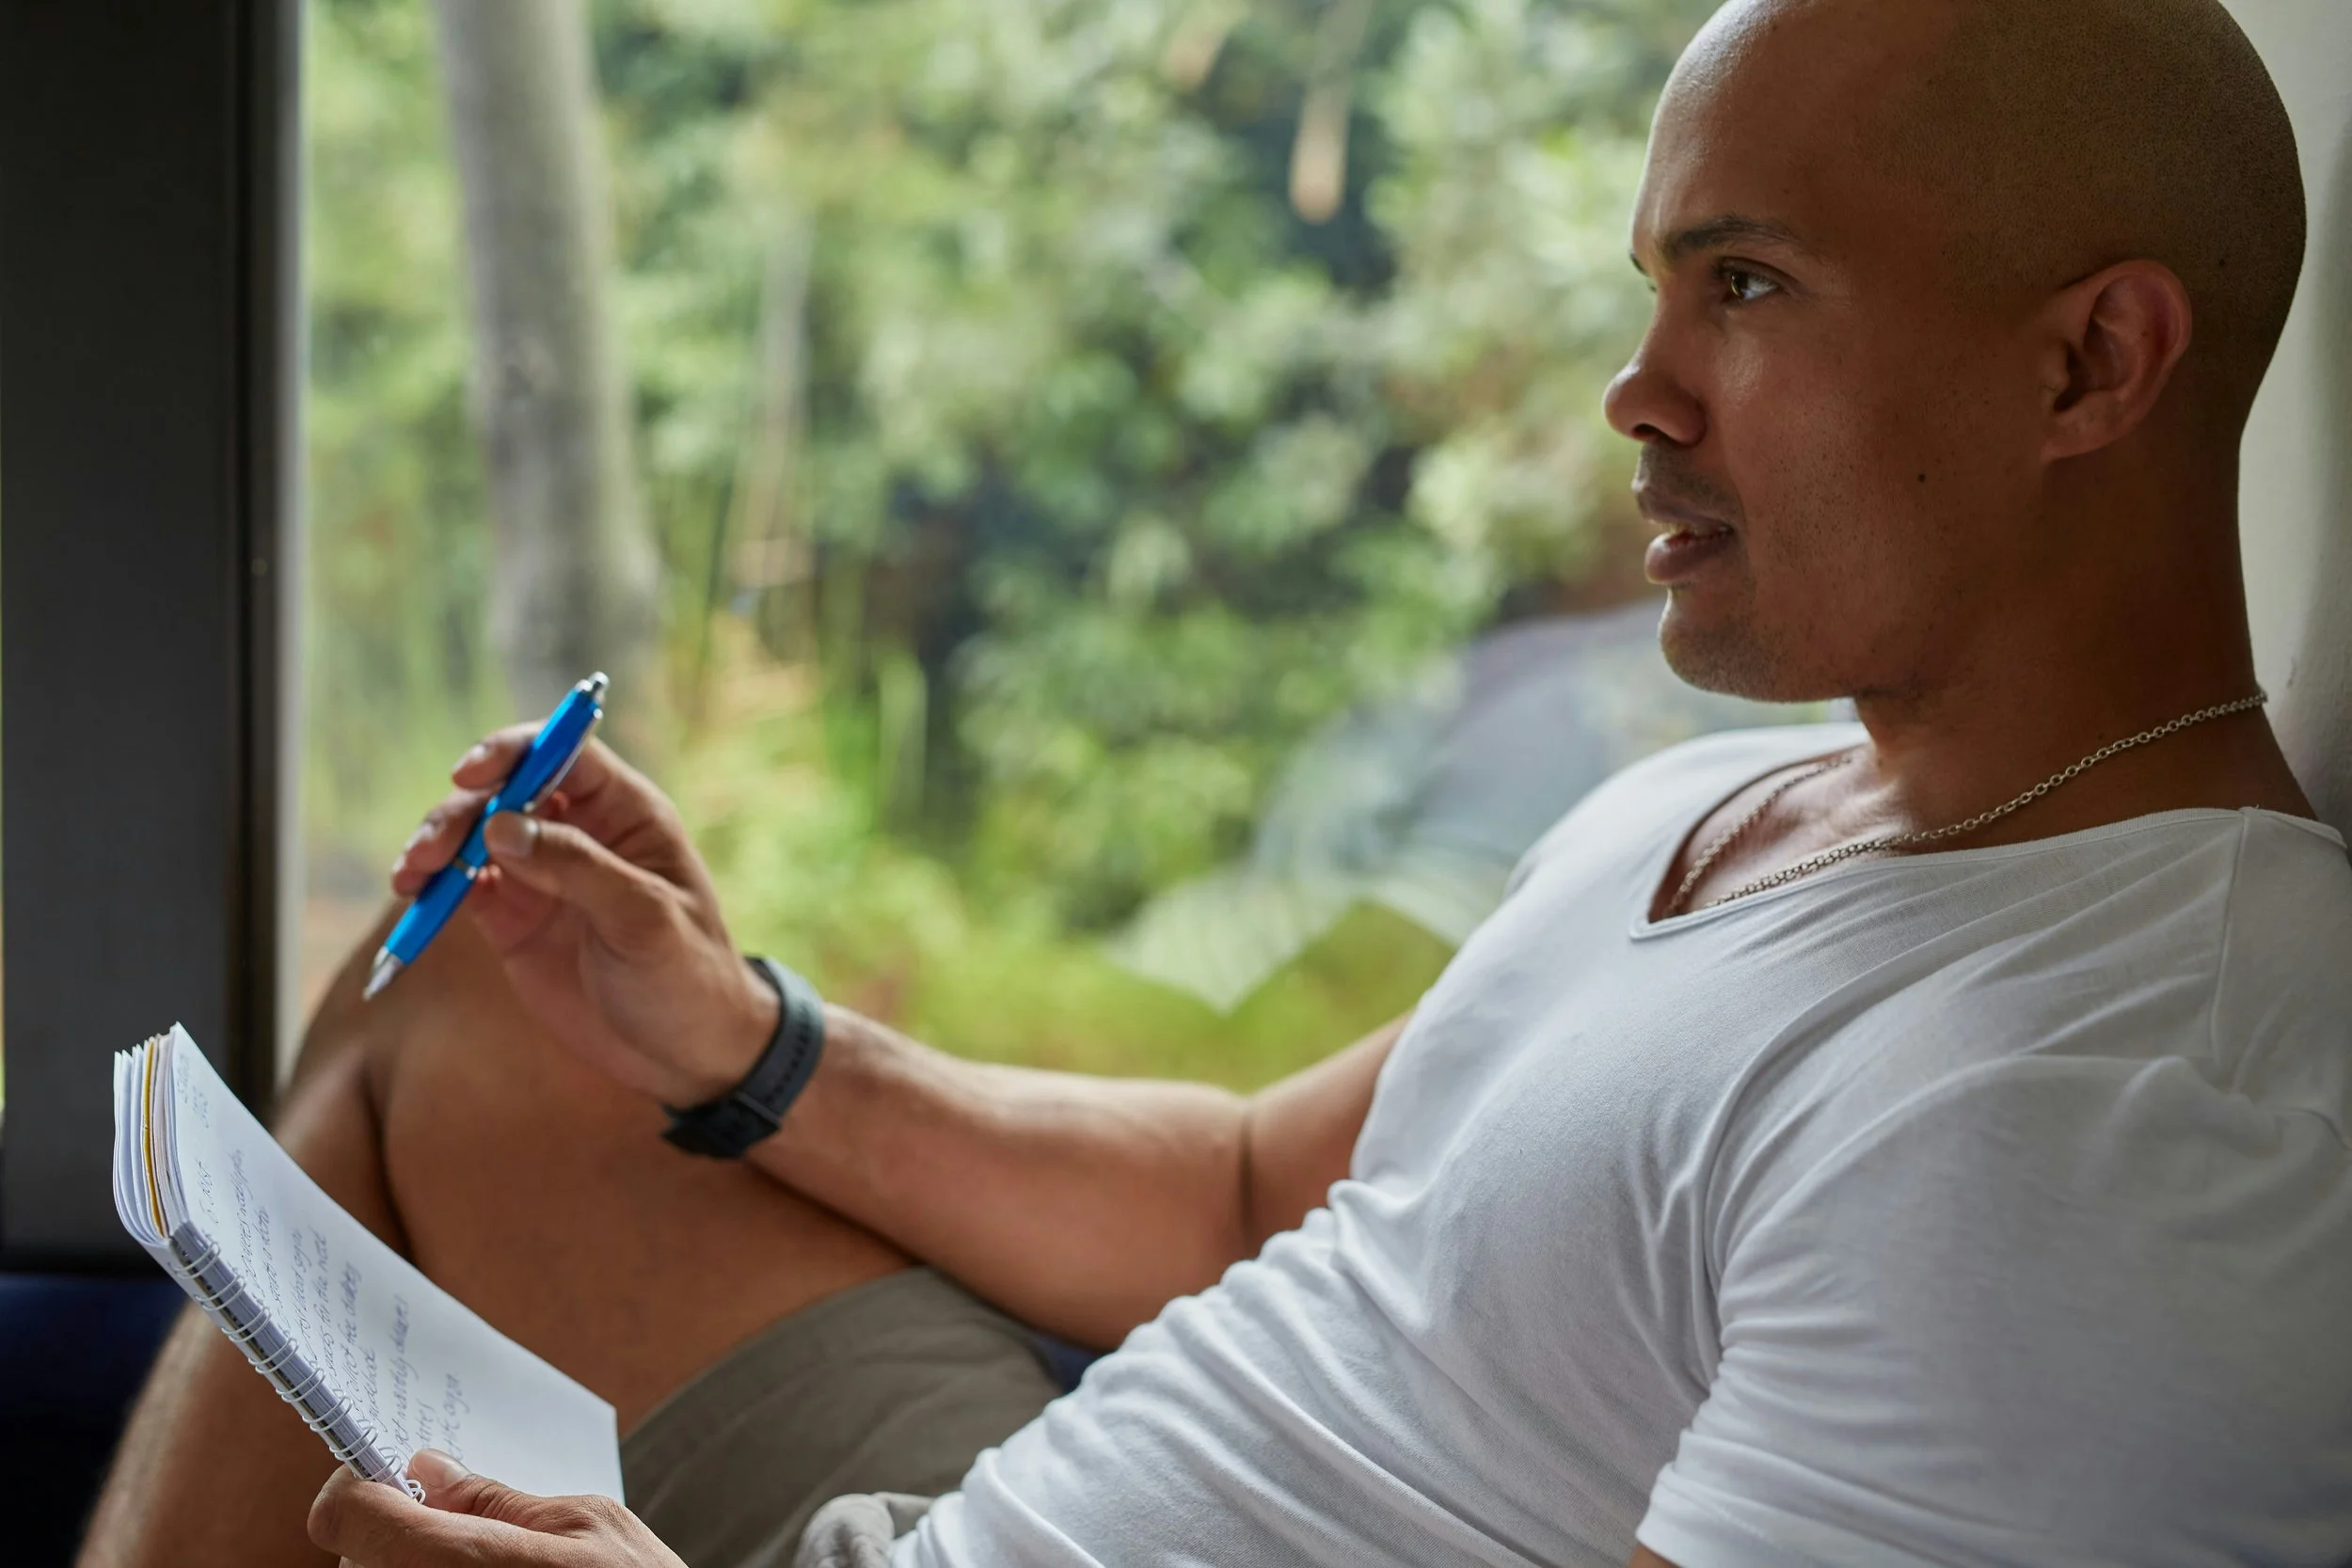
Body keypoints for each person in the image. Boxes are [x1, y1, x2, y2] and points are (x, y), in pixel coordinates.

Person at [80, 0, 2352, 1563]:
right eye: (1654, 287)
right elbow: (1254, 1190)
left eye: (1742, 288)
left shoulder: (2119, 1109)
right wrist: (746, 1041)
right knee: (476, 994)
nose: (1631, 393)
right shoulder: (1727, 806)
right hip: (1022, 1481)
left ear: (2088, 361)